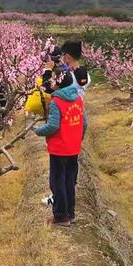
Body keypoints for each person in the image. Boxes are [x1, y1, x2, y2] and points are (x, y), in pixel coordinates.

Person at [35, 68, 87, 226]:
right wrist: (78, 138)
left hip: (59, 149)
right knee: (69, 181)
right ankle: (70, 213)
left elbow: (52, 126)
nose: (51, 82)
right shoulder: (78, 99)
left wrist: (37, 130)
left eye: (52, 80)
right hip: (73, 148)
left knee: (57, 182)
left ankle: (60, 216)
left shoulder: (56, 102)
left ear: (58, 82)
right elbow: (84, 123)